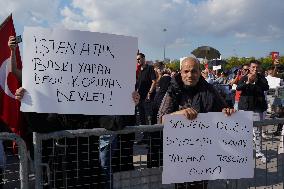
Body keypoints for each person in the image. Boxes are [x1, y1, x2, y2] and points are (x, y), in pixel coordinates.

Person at [158, 57, 235, 189]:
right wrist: (179, 114)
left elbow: (223, 110)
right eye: (186, 71)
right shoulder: (173, 90)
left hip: (204, 150)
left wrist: (227, 111)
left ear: (200, 72)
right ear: (180, 72)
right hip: (180, 151)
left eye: (194, 71)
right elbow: (161, 119)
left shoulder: (210, 90)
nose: (190, 75)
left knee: (201, 184)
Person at [236, 60, 269, 162]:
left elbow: (266, 87)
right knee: (244, 131)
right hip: (245, 108)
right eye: (253, 67)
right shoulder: (244, 77)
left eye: (257, 67)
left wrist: (257, 80)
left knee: (257, 131)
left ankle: (259, 152)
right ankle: (244, 152)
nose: (255, 69)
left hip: (257, 108)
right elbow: (238, 88)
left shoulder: (262, 78)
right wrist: (248, 82)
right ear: (249, 68)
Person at [135, 52, 157, 125]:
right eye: (136, 60)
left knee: (149, 117)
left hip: (148, 98)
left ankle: (151, 134)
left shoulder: (150, 68)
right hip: (140, 98)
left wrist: (149, 93)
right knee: (141, 117)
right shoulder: (138, 71)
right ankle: (144, 134)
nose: (137, 61)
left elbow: (154, 81)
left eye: (139, 59)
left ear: (143, 58)